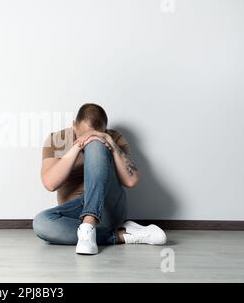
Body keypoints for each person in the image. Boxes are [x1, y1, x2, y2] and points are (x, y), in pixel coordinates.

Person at [33, 103, 167, 255]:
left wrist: (111, 145)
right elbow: (50, 184)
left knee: (96, 145)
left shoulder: (114, 137)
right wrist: (77, 146)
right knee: (41, 223)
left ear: (105, 129)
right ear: (73, 126)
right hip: (75, 214)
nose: (88, 138)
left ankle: (89, 224)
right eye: (83, 133)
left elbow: (131, 181)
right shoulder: (57, 139)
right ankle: (121, 235)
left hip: (108, 208)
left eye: (98, 133)